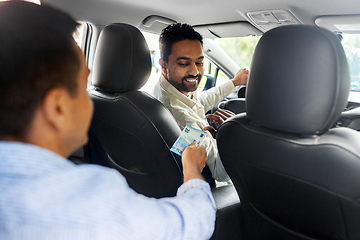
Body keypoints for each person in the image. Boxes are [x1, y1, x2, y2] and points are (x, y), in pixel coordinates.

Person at [0, 2, 216, 239]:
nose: (90, 95)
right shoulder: (87, 201)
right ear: (58, 107)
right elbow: (190, 225)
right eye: (83, 86)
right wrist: (192, 168)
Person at [151, 23, 249, 183]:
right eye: (184, 63)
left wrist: (234, 83)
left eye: (199, 62)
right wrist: (231, 133)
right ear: (163, 65)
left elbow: (199, 101)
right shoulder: (181, 117)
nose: (195, 72)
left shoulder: (168, 87)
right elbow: (220, 173)